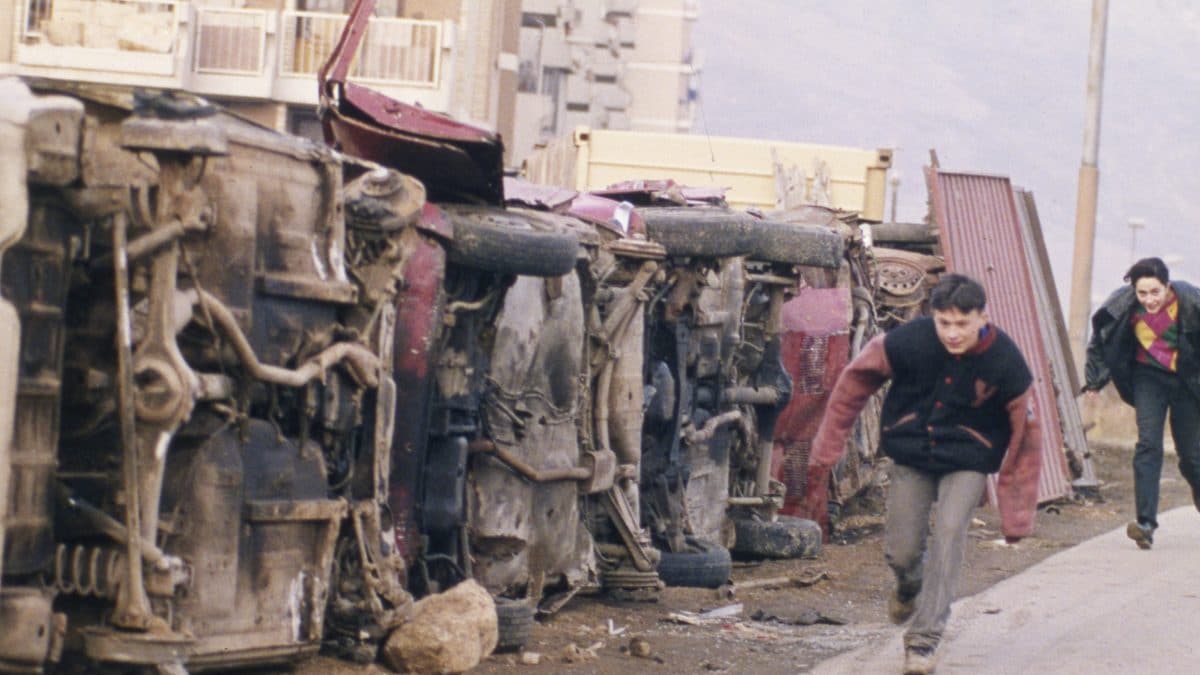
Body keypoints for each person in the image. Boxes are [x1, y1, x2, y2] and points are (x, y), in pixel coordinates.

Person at [805, 274, 1043, 675]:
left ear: (983, 318)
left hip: (969, 458)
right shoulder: (907, 342)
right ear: (933, 317)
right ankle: (908, 584)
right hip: (912, 452)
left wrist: (1016, 512)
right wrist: (827, 447)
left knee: (950, 532)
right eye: (944, 323)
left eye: (962, 324)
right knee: (902, 551)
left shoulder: (1006, 362)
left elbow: (1027, 440)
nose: (953, 333)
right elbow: (853, 383)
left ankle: (923, 640)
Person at [1082, 256, 1200, 550]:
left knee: (1191, 455)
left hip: (1187, 378)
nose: (1149, 300)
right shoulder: (1122, 305)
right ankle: (1145, 524)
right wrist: (1094, 381)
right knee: (1148, 445)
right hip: (1148, 377)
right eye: (1142, 293)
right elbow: (1100, 338)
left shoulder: (1190, 300)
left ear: (1167, 286)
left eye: (1155, 292)